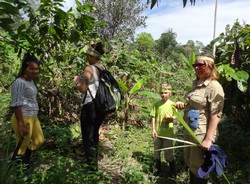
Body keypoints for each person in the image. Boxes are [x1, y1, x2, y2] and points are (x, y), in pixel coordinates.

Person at [175, 53, 225, 184]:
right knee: (190, 161)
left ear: (209, 66)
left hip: (201, 133)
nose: (196, 68)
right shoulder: (196, 83)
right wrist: (183, 105)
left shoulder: (214, 86)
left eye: (200, 65)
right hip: (189, 129)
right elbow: (194, 104)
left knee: (200, 167)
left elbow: (216, 114)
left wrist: (208, 139)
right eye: (195, 65)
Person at [73, 42, 107, 171]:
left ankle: (91, 165)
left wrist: (76, 81)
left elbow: (82, 89)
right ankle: (94, 160)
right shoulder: (103, 68)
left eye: (88, 55)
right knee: (95, 133)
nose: (87, 57)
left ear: (92, 56)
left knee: (87, 134)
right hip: (101, 106)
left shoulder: (89, 69)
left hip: (90, 105)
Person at [10, 52, 44, 169]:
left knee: (39, 140)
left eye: (37, 69)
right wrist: (21, 125)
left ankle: (26, 160)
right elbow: (16, 104)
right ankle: (19, 169)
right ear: (25, 69)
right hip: (23, 116)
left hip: (33, 116)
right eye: (31, 69)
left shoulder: (30, 81)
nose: (35, 71)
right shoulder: (19, 83)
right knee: (22, 144)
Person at [150, 83, 176, 177]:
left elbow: (176, 117)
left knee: (168, 153)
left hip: (168, 133)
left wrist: (171, 118)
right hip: (158, 133)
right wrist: (153, 129)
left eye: (165, 93)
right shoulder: (157, 104)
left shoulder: (172, 104)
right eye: (161, 92)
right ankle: (158, 169)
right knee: (156, 151)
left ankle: (172, 171)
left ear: (169, 94)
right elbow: (153, 116)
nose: (163, 94)